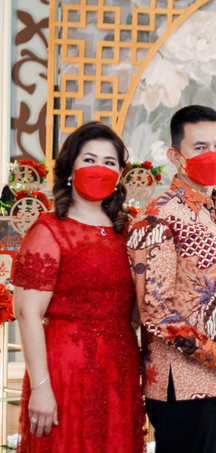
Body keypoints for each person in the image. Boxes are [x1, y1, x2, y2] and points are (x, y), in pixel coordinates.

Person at [127, 105, 216, 453]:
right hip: (183, 386)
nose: (213, 154)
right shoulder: (158, 217)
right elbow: (155, 311)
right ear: (176, 155)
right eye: (200, 147)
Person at [13, 121, 146, 452]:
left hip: (120, 369)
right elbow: (27, 312)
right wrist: (42, 386)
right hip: (65, 370)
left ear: (119, 174)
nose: (99, 168)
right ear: (70, 168)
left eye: (109, 162)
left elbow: (138, 307)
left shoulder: (126, 231)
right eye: (89, 159)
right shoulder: (49, 230)